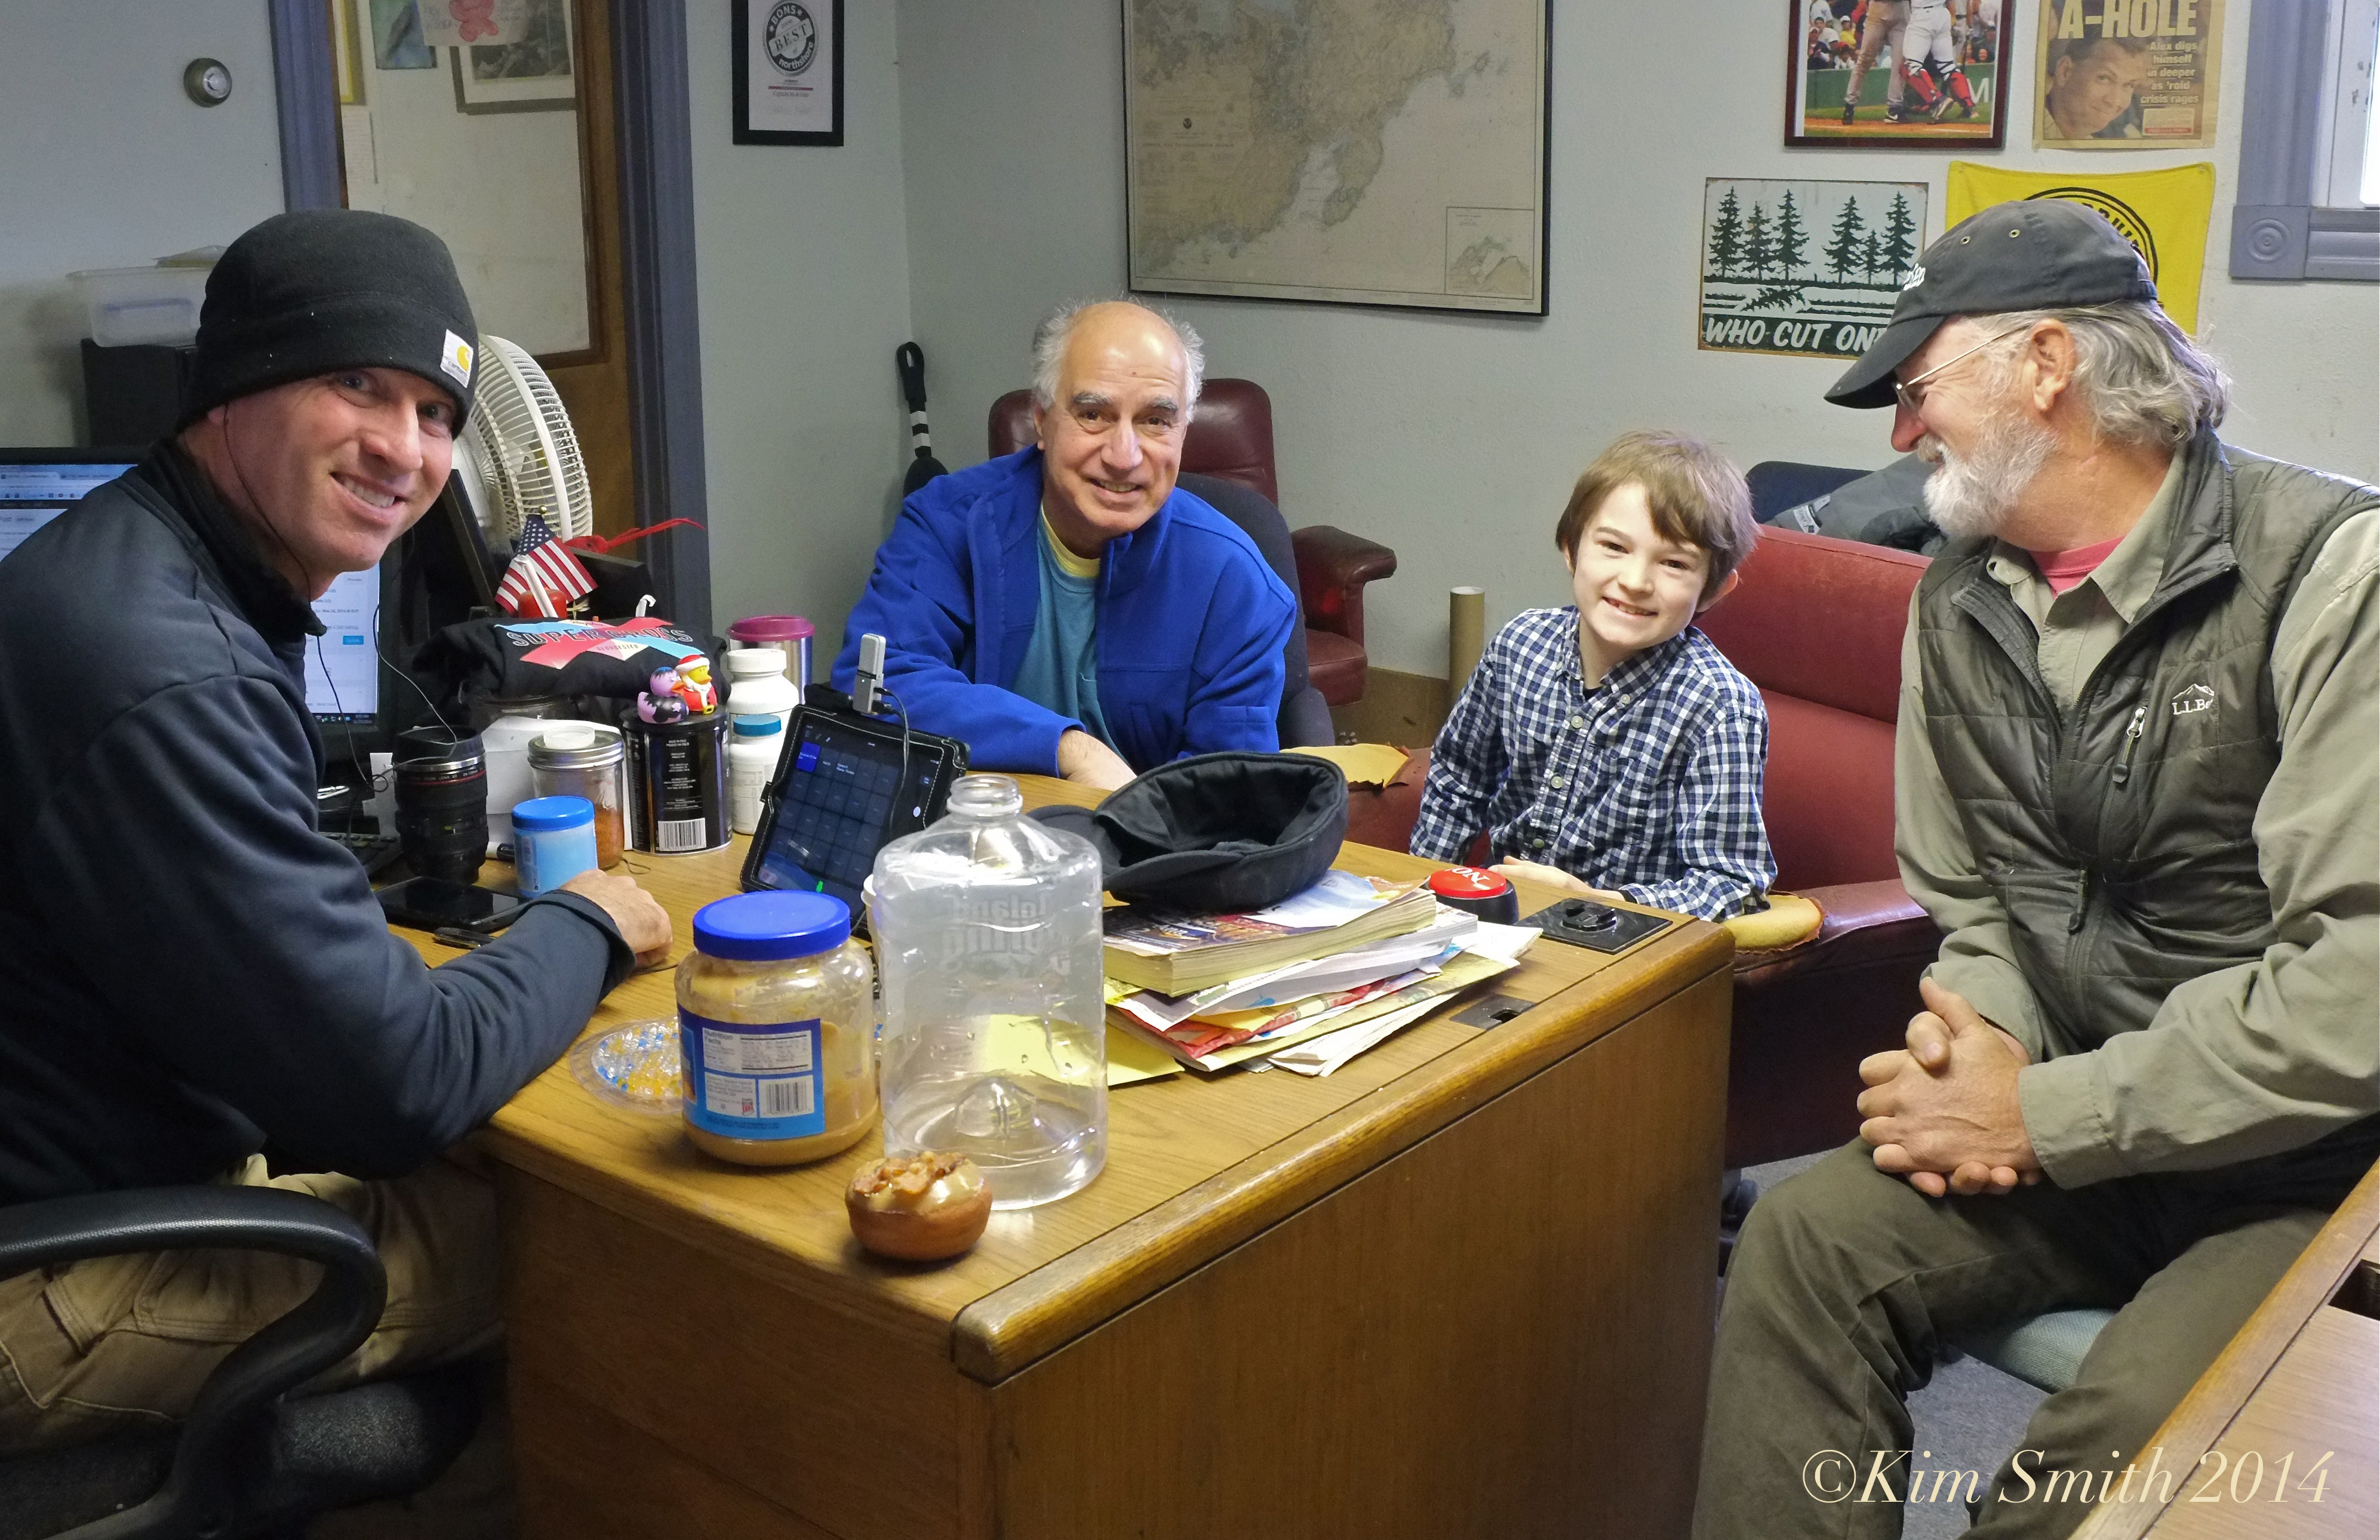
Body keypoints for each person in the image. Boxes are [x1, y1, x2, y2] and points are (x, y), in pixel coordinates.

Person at [1693, 201, 2378, 1539]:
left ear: (2047, 364)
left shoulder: (2333, 579)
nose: (1901, 434)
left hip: (2305, 1160)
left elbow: (2354, 993)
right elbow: (1972, 901)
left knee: (2124, 1442)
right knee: (1800, 1245)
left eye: (1918, 389)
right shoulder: (1956, 602)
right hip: (2069, 1119)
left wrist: (2037, 1115)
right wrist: (1984, 1056)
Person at [0, 210, 671, 1532]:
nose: (403, 448)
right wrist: (586, 922)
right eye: (356, 384)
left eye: (436, 413)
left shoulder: (127, 568)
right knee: (599, 1240)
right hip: (47, 1282)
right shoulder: (161, 667)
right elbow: (399, 1085)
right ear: (233, 389)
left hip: (98, 1178)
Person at [833, 300, 1296, 791]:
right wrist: (1069, 749)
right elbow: (877, 682)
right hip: (971, 822)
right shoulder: (947, 523)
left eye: (1156, 421)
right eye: (1093, 414)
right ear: (1042, 419)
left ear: (1183, 431)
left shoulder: (1238, 584)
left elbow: (1228, 790)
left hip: (1145, 835)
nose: (1124, 456)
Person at [1409, 430, 1775, 922]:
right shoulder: (1520, 645)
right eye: (1614, 547)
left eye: (1674, 563)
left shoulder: (1720, 704)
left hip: (1623, 942)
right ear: (1571, 547)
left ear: (1713, 590)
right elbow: (1459, 779)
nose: (1635, 581)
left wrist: (1596, 902)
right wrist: (1421, 898)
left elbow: (1731, 883)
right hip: (1497, 921)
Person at [2040, 33, 2151, 140]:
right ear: (2065, 72)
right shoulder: (2034, 129)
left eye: (2128, 85)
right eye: (2103, 78)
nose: (2115, 101)